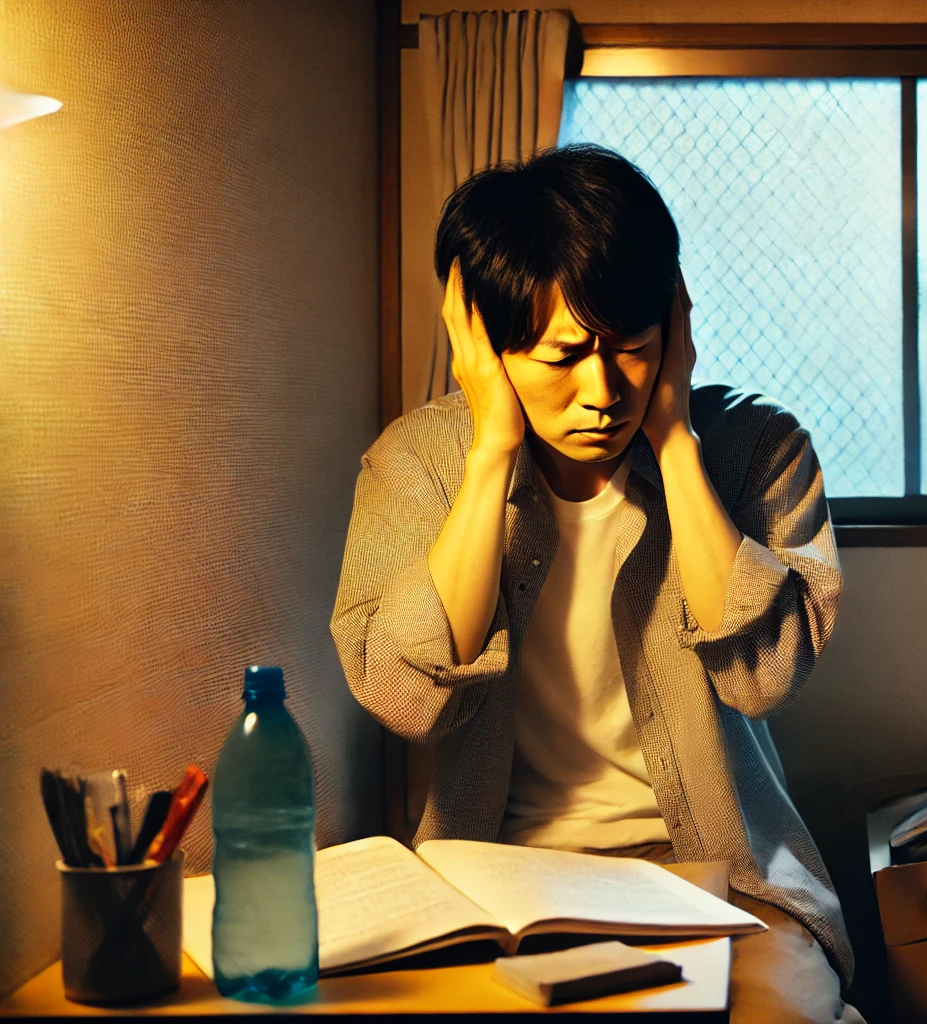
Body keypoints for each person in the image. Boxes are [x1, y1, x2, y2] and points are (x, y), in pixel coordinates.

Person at [330, 145, 860, 1023]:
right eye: (561, 356)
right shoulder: (415, 465)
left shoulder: (759, 451)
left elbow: (760, 677)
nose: (602, 391)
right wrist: (492, 448)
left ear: (672, 333)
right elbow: (405, 699)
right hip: (496, 886)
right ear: (489, 350)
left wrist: (677, 439)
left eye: (631, 349)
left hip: (726, 888)